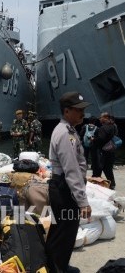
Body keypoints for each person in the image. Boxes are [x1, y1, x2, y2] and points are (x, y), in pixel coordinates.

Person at [47, 91, 91, 273]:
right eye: (78, 109)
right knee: (64, 232)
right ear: (67, 111)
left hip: (63, 187)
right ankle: (57, 268)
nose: (82, 113)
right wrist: (83, 201)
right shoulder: (65, 134)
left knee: (62, 231)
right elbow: (71, 170)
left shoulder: (68, 130)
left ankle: (57, 265)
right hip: (64, 188)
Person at [92, 112, 116, 189]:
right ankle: (112, 184)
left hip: (102, 151)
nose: (99, 119)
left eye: (101, 117)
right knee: (108, 169)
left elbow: (101, 139)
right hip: (110, 150)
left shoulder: (103, 128)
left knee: (98, 168)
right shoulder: (113, 126)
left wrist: (94, 139)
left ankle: (95, 183)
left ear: (106, 118)